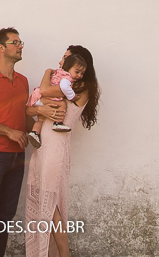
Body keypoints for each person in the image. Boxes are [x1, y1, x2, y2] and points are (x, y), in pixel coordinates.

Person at [0, 28, 65, 257]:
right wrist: (9, 132)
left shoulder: (22, 81)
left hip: (17, 157)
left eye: (21, 42)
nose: (20, 45)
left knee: (4, 216)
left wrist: (41, 123)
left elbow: (21, 114)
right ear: (1, 48)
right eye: (15, 42)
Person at [24, 45, 101, 257]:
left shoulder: (77, 85)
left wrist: (47, 73)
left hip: (55, 149)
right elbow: (29, 109)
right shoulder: (65, 83)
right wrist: (41, 109)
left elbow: (45, 91)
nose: (61, 62)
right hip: (43, 147)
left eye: (66, 59)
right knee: (43, 201)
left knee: (52, 206)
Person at [26, 54, 88, 148]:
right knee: (62, 103)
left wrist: (48, 72)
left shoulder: (59, 74)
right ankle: (58, 123)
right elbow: (60, 87)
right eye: (77, 72)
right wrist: (72, 96)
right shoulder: (67, 78)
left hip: (37, 98)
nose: (79, 75)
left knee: (41, 119)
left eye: (82, 73)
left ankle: (35, 133)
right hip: (42, 98)